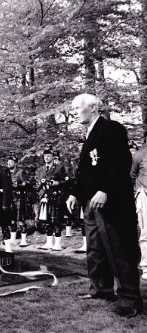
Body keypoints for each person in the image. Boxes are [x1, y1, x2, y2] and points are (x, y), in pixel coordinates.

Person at [66, 93, 142, 318]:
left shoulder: (112, 128)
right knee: (95, 248)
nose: (73, 112)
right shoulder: (88, 134)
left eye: (76, 108)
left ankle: (130, 299)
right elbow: (85, 171)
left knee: (119, 248)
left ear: (92, 107)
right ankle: (101, 289)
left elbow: (121, 162)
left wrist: (105, 190)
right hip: (90, 201)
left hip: (111, 201)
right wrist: (75, 194)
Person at [34, 148, 69, 251]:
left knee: (56, 221)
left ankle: (57, 244)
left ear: (53, 157)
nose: (47, 158)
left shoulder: (59, 168)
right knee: (47, 221)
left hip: (55, 197)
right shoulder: (40, 170)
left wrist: (57, 183)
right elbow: (36, 184)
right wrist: (40, 186)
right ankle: (49, 243)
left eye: (49, 156)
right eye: (45, 156)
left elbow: (67, 182)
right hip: (45, 197)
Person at [130, 131, 147, 280]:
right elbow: (131, 176)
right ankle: (145, 266)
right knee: (145, 232)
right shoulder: (139, 155)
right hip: (144, 196)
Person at [7, 153, 29, 247]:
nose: (9, 163)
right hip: (9, 198)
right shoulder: (6, 172)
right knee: (11, 219)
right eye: (8, 162)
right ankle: (13, 240)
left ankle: (24, 240)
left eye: (11, 162)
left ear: (15, 163)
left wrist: (18, 186)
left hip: (19, 197)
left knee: (21, 219)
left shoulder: (20, 172)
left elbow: (26, 183)